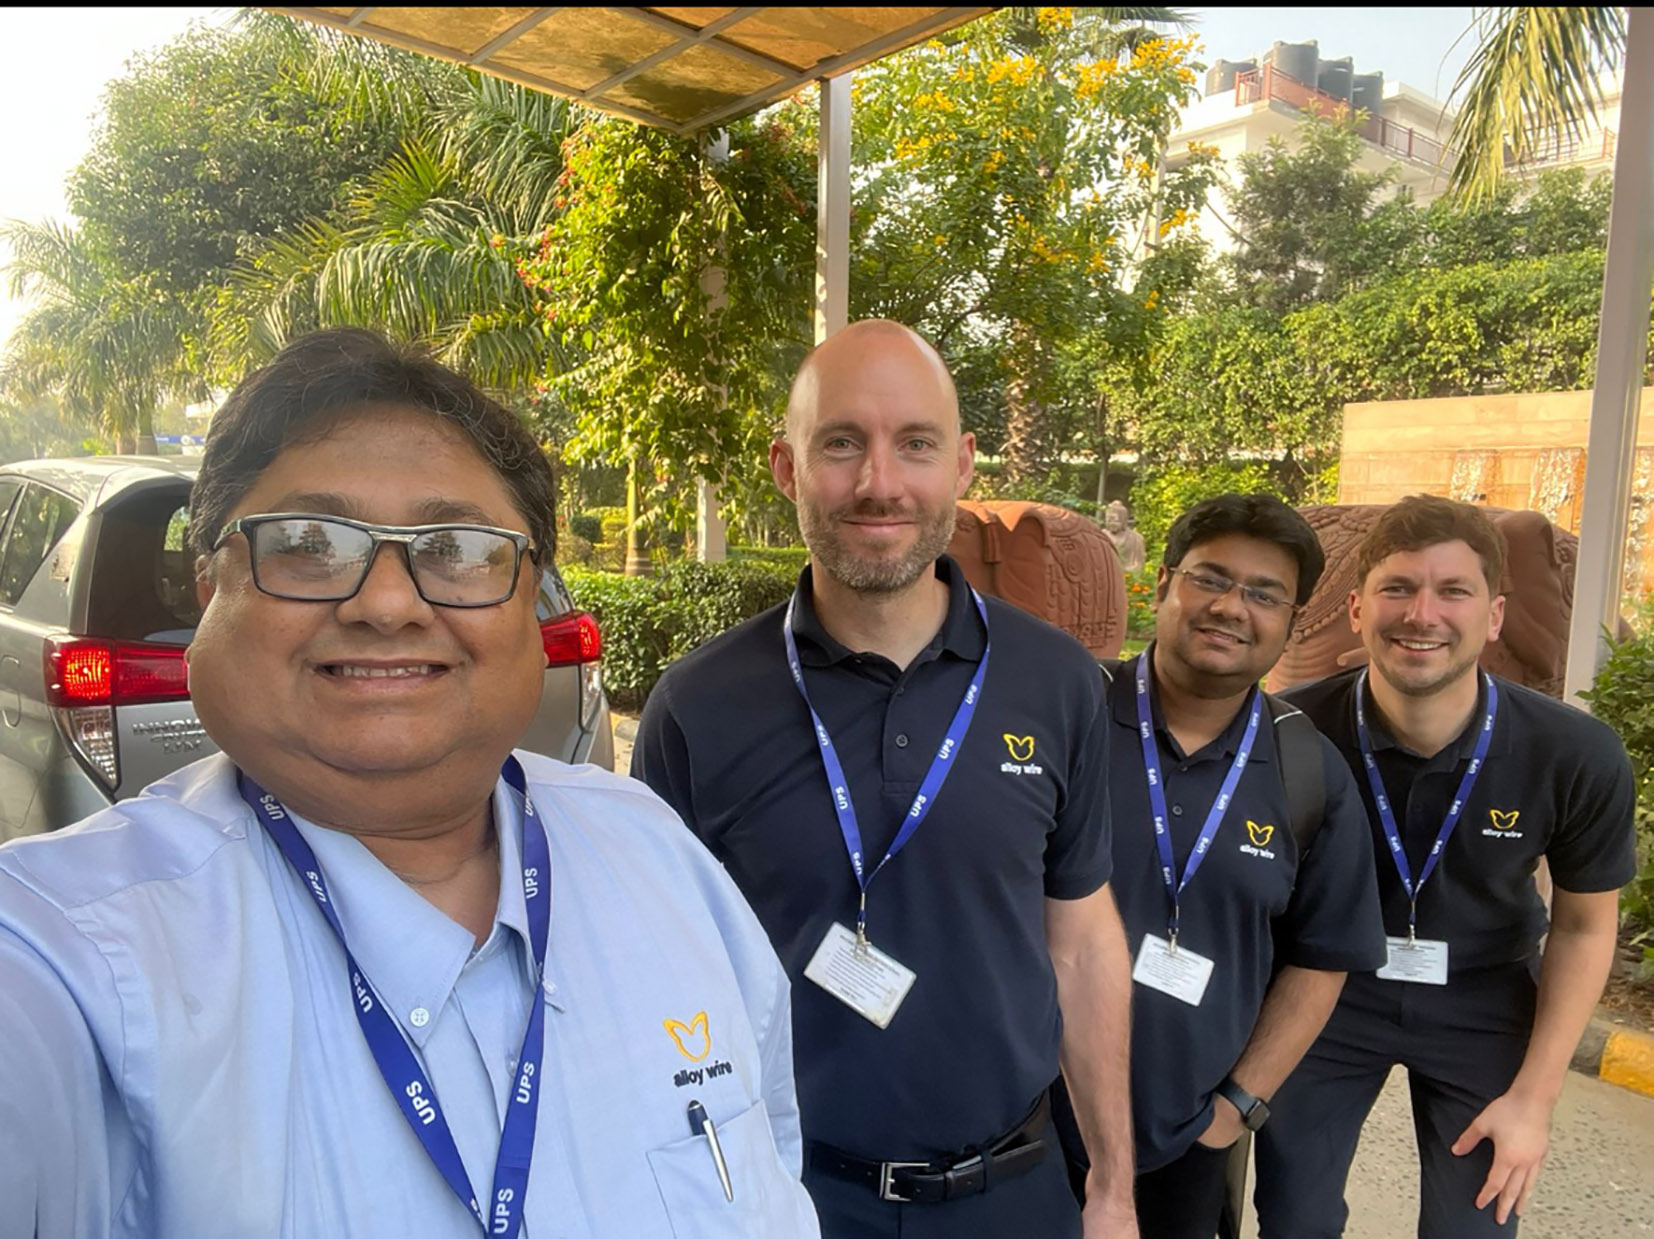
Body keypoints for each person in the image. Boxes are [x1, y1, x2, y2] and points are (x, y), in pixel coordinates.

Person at [0, 328, 819, 1239]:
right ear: (209, 588)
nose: (387, 603)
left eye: (457, 548)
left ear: (532, 598)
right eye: (308, 543)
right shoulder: (68, 960)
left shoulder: (657, 854)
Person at [632, 319, 1137, 1239]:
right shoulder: (698, 707)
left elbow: (1083, 941)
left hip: (1013, 1196)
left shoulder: (1058, 681)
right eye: (840, 443)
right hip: (791, 1197)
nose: (879, 482)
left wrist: (1112, 1185)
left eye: (916, 444)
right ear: (786, 467)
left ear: (963, 463)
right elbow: (660, 977)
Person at [1252, 495, 1637, 1239]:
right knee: (1294, 1218)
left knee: (1475, 1228)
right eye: (1397, 588)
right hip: (1327, 992)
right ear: (1357, 609)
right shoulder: (1288, 732)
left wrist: (1535, 1099)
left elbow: (1586, 927)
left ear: (1494, 616)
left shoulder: (1573, 754)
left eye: (1453, 590)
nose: (1422, 614)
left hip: (1486, 999)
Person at [1076, 494, 1386, 1239]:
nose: (1231, 607)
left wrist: (1236, 1108)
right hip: (1020, 1132)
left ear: (1291, 621)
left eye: (1264, 594)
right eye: (1210, 579)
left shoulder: (1307, 769)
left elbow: (1322, 959)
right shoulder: (1066, 717)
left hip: (1183, 1144)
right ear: (1163, 585)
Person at [1104, 500, 1147, 573]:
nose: (1112, 523)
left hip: (1128, 575)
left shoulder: (1136, 539)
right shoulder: (1101, 536)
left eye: (1115, 521)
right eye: (1109, 520)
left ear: (1123, 520)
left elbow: (1138, 564)